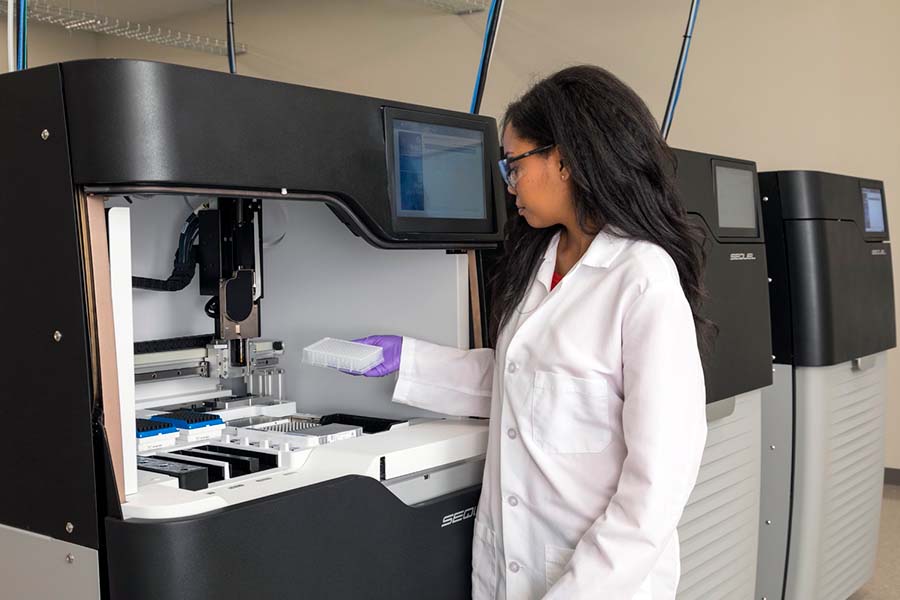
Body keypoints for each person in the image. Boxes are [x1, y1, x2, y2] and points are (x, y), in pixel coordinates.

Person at [351, 65, 709, 599]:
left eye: (514, 163)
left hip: (597, 579)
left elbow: (658, 483)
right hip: (509, 567)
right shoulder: (541, 258)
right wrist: (410, 360)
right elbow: (524, 380)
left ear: (565, 159)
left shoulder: (641, 278)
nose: (509, 182)